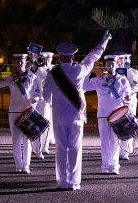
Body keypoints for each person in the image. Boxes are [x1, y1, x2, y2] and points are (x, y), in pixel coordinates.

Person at [43, 30, 112, 190]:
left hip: (59, 118)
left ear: (59, 57)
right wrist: (104, 40)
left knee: (61, 149)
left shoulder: (52, 74)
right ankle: (74, 182)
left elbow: (46, 98)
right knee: (75, 149)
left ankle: (62, 182)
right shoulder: (80, 70)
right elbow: (93, 55)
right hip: (77, 116)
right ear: (73, 57)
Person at [83, 55, 131, 175]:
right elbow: (84, 87)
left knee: (115, 140)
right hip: (103, 115)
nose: (110, 66)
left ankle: (114, 166)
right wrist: (89, 71)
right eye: (108, 64)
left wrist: (127, 99)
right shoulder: (99, 80)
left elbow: (128, 96)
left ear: (117, 64)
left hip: (117, 114)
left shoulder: (122, 80)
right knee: (104, 141)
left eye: (112, 64)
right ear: (106, 65)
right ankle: (105, 166)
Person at [0, 54, 40, 173]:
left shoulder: (32, 76)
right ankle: (18, 165)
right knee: (16, 140)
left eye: (22, 61)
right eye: (17, 62)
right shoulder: (11, 78)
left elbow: (38, 93)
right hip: (14, 111)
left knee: (27, 139)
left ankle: (26, 165)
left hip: (27, 111)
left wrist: (35, 99)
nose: (20, 63)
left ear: (26, 62)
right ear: (15, 63)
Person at [117, 53, 138, 160]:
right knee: (117, 125)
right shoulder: (114, 71)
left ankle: (125, 151)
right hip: (117, 102)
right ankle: (116, 150)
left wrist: (127, 70)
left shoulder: (133, 71)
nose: (121, 62)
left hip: (129, 102)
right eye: (119, 59)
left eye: (124, 59)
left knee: (128, 125)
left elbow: (136, 83)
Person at [32, 51, 54, 159]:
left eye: (46, 59)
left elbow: (46, 78)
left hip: (44, 101)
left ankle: (43, 148)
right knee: (35, 125)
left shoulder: (50, 69)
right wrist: (33, 62)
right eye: (42, 59)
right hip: (34, 100)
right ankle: (35, 148)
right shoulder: (34, 67)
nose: (43, 61)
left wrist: (40, 67)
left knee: (44, 125)